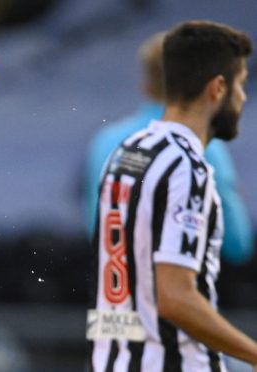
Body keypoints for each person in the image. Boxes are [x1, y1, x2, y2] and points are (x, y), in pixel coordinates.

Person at [86, 20, 257, 371]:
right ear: (217, 88)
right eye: (240, 86)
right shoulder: (189, 163)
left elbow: (105, 244)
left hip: (112, 354)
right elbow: (178, 296)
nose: (243, 98)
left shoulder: (122, 148)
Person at [83, 32, 254, 264]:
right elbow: (237, 243)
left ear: (145, 85)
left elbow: (97, 228)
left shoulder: (106, 141)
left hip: (117, 286)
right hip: (182, 288)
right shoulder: (204, 146)